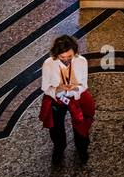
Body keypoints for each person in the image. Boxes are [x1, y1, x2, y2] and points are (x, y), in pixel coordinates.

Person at [40, 34, 93, 165]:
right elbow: (45, 88)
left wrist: (75, 88)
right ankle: (59, 148)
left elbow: (84, 85)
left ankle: (82, 148)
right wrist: (58, 89)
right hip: (57, 99)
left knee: (81, 125)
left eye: (70, 56)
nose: (67, 60)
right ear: (56, 55)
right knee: (56, 128)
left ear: (75, 52)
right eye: (62, 57)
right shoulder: (48, 64)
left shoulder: (81, 61)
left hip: (76, 98)